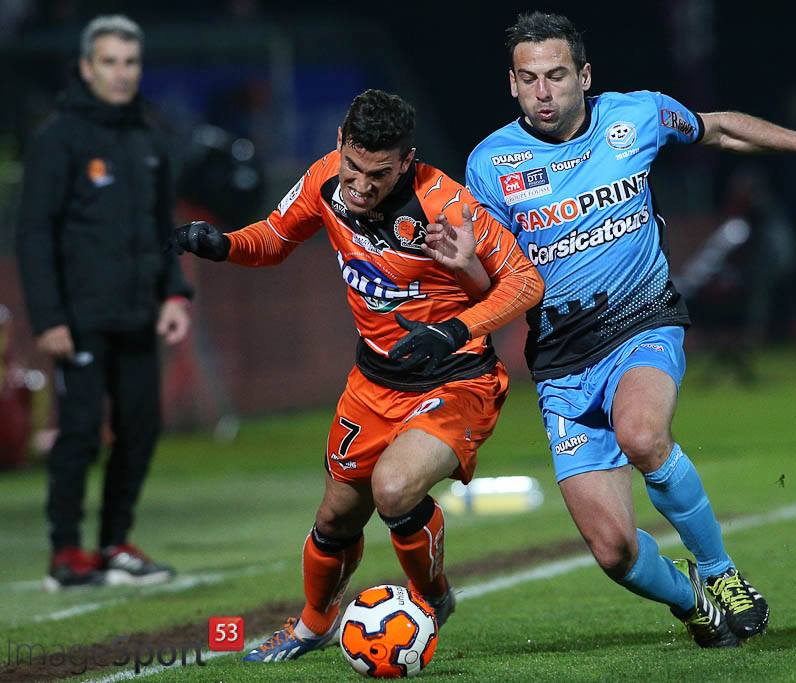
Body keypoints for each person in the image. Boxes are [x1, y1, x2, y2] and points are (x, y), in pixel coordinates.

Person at [438, 12, 796, 648]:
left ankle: (720, 570)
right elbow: (499, 285)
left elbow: (717, 128)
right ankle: (694, 601)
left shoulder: (637, 116)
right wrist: (465, 269)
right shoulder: (489, 164)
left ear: (584, 76)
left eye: (557, 75)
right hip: (561, 359)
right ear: (511, 84)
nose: (543, 92)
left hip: (641, 320)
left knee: (643, 435)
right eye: (528, 79)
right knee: (614, 551)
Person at [170, 89, 543, 662]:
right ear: (340, 143)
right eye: (353, 167)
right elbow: (274, 238)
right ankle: (314, 624)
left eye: (379, 174)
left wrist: (454, 330)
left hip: (455, 379)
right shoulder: (325, 178)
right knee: (335, 517)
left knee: (394, 488)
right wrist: (224, 245)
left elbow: (525, 282)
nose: (361, 186)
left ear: (407, 160)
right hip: (373, 383)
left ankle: (430, 598)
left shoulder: (446, 203)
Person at [15, 15, 193, 591]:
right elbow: (34, 234)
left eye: (130, 62)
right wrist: (48, 318)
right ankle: (66, 551)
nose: (121, 73)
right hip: (79, 319)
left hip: (139, 314)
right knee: (81, 433)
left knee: (141, 430)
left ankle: (115, 544)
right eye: (110, 62)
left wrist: (174, 293)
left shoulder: (148, 137)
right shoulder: (58, 138)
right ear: (87, 68)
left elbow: (162, 227)